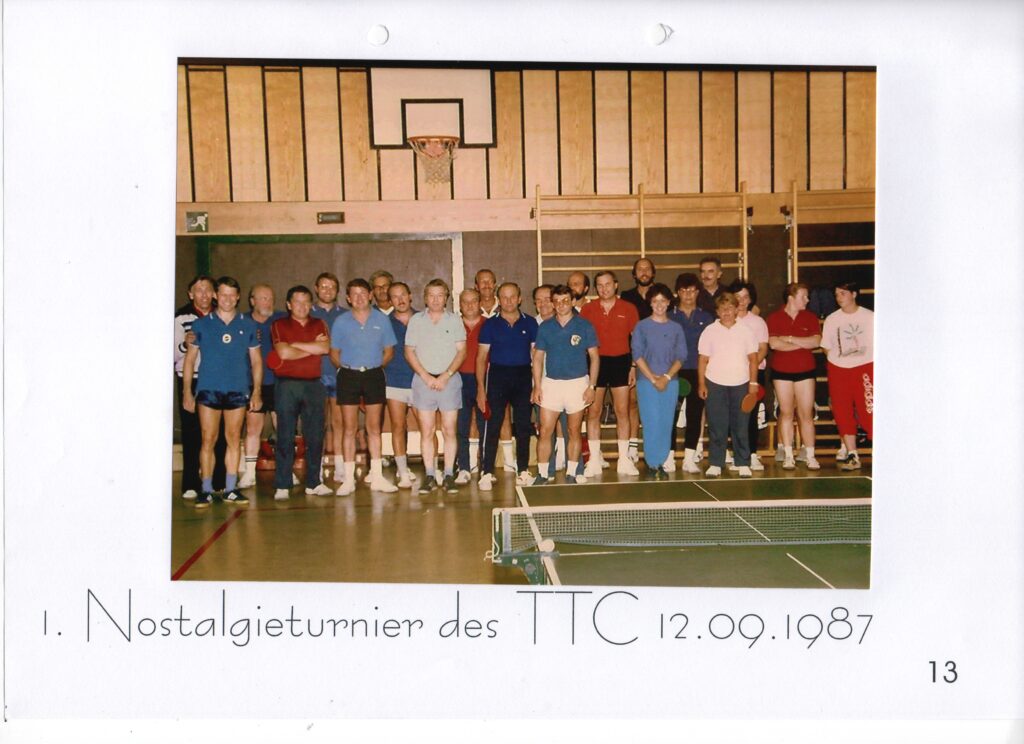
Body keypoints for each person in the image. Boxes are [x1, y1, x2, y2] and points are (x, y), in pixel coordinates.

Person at [180, 276, 263, 506]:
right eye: (223, 294)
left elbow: (256, 361)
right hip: (209, 390)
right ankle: (206, 489)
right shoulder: (201, 325)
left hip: (237, 390)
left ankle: (230, 488)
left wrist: (256, 391)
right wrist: (187, 392)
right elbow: (189, 360)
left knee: (234, 439)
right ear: (216, 296)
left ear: (238, 297)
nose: (227, 299)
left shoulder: (248, 325)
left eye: (231, 295)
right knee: (208, 439)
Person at [330, 278, 399, 495]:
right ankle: (348, 479)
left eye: (363, 293)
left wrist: (374, 367)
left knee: (374, 428)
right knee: (349, 428)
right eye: (354, 294)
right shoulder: (341, 322)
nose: (359, 297)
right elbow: (334, 353)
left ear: (370, 295)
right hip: (348, 376)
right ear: (348, 298)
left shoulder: (382, 319)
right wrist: (347, 369)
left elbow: (389, 351)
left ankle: (377, 477)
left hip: (374, 375)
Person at [531, 285, 600, 485]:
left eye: (565, 301)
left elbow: (595, 358)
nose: (561, 305)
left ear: (573, 301)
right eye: (557, 301)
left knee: (573, 430)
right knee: (545, 430)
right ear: (553, 303)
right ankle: (543, 474)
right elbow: (537, 358)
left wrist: (591, 387)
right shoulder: (545, 327)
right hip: (551, 384)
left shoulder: (585, 325)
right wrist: (537, 386)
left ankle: (571, 473)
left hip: (577, 384)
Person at [270, 285, 333, 500]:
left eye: (306, 302)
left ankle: (314, 482)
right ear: (289, 305)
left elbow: (324, 349)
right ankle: (282, 484)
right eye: (297, 302)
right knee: (285, 435)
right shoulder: (279, 324)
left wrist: (295, 345)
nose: (302, 306)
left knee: (315, 436)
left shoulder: (319, 323)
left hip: (314, 385)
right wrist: (311, 347)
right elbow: (283, 353)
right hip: (287, 385)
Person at [405, 279, 467, 494]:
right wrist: (426, 377)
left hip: (449, 381)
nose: (435, 299)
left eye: (440, 295)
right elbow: (409, 351)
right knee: (427, 431)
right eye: (431, 295)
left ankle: (449, 474)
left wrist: (445, 376)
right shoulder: (416, 321)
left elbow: (462, 351)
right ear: (425, 298)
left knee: (449, 430)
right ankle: (430, 475)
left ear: (446, 298)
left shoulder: (455, 320)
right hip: (423, 382)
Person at [476, 283, 538, 491]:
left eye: (513, 297)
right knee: (493, 425)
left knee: (523, 425)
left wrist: (537, 384)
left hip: (523, 376)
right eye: (504, 297)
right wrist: (480, 388)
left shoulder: (530, 323)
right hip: (497, 376)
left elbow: (536, 357)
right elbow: (481, 357)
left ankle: (523, 470)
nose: (509, 301)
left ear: (519, 299)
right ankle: (487, 472)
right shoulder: (490, 324)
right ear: (498, 300)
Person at [580, 270, 640, 477]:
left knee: (622, 411)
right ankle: (594, 460)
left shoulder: (628, 308)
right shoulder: (588, 309)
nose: (604, 288)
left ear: (615, 285)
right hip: (596, 362)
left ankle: (624, 459)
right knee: (593, 412)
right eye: (599, 285)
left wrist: (633, 366)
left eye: (607, 284)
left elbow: (636, 340)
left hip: (621, 362)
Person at [697, 293, 759, 478]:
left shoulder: (746, 331)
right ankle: (716, 463)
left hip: (741, 384)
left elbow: (753, 359)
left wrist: (753, 383)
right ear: (717, 311)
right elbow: (702, 360)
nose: (726, 312)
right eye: (722, 309)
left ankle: (743, 463)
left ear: (736, 309)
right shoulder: (709, 331)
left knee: (741, 425)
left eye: (730, 308)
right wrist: (702, 384)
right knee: (717, 425)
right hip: (714, 383)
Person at [632, 283, 688, 480]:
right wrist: (652, 378)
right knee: (651, 422)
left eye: (663, 300)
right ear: (650, 303)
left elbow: (681, 356)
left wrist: (666, 377)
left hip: (670, 382)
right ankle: (652, 463)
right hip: (646, 382)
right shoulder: (641, 326)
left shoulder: (676, 328)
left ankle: (661, 462)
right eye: (655, 301)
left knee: (666, 422)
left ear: (669, 302)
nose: (659, 305)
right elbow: (637, 354)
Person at [767, 282, 823, 470]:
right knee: (786, 412)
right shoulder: (774, 317)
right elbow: (774, 344)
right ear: (791, 298)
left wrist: (789, 339)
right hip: (781, 372)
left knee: (806, 414)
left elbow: (816, 342)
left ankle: (810, 456)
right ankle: (788, 455)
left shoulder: (810, 317)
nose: (807, 300)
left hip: (806, 371)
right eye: (803, 296)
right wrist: (802, 344)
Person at [820, 280, 873, 471]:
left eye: (843, 293)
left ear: (854, 294)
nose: (839, 298)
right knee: (842, 411)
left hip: (865, 368)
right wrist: (839, 361)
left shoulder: (870, 317)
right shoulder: (832, 319)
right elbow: (826, 346)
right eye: (836, 294)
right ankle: (852, 454)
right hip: (839, 370)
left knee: (869, 410)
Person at [174, 274, 218, 500]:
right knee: (192, 434)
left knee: (216, 434)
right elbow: (171, 354)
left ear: (214, 293)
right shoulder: (181, 317)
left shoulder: (222, 316)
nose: (204, 294)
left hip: (216, 381)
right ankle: (191, 483)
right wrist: (184, 344)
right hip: (190, 380)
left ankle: (218, 482)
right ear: (190, 294)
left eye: (208, 289)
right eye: (198, 290)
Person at [238, 284, 286, 489]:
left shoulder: (282, 319)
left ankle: (286, 471)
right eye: (263, 298)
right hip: (253, 384)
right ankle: (249, 474)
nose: (268, 302)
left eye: (271, 298)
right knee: (253, 429)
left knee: (284, 428)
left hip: (279, 383)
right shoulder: (241, 321)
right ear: (252, 301)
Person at [669, 273, 715, 474]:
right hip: (674, 373)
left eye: (692, 290)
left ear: (698, 292)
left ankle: (689, 458)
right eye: (683, 290)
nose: (688, 294)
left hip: (698, 373)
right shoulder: (669, 317)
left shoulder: (707, 318)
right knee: (670, 415)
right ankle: (668, 457)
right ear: (677, 293)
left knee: (695, 416)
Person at [311, 272, 348, 482]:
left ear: (337, 290)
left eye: (332, 287)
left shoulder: (345, 315)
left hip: (338, 375)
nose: (327, 291)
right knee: (317, 424)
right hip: (314, 375)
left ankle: (340, 466)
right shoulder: (306, 313)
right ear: (316, 289)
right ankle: (316, 468)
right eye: (323, 286)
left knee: (339, 422)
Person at [620, 258, 657, 461]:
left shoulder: (660, 295)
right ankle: (633, 446)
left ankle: (654, 446)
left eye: (647, 269)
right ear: (634, 274)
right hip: (633, 356)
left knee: (654, 404)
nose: (644, 272)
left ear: (653, 272)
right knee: (632, 402)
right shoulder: (627, 297)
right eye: (640, 269)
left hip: (657, 357)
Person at [731, 279, 769, 472]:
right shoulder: (725, 321)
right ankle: (737, 454)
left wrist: (750, 369)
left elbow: (763, 348)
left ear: (751, 299)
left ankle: (752, 454)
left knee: (751, 415)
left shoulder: (758, 322)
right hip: (732, 375)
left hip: (754, 375)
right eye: (738, 297)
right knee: (734, 416)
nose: (742, 301)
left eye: (745, 297)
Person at [384, 282, 419, 488]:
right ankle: (403, 472)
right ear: (390, 300)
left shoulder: (423, 319)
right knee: (398, 427)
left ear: (410, 295)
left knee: (427, 428)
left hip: (420, 381)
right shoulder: (384, 322)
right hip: (394, 382)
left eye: (403, 295)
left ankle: (432, 471)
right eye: (395, 296)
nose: (400, 300)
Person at [455, 288, 486, 484]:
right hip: (459, 380)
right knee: (461, 426)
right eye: (465, 302)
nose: (469, 305)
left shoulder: (490, 324)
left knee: (485, 426)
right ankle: (464, 467)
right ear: (460, 305)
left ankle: (486, 469)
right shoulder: (452, 324)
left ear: (480, 302)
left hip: (484, 381)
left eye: (473, 300)